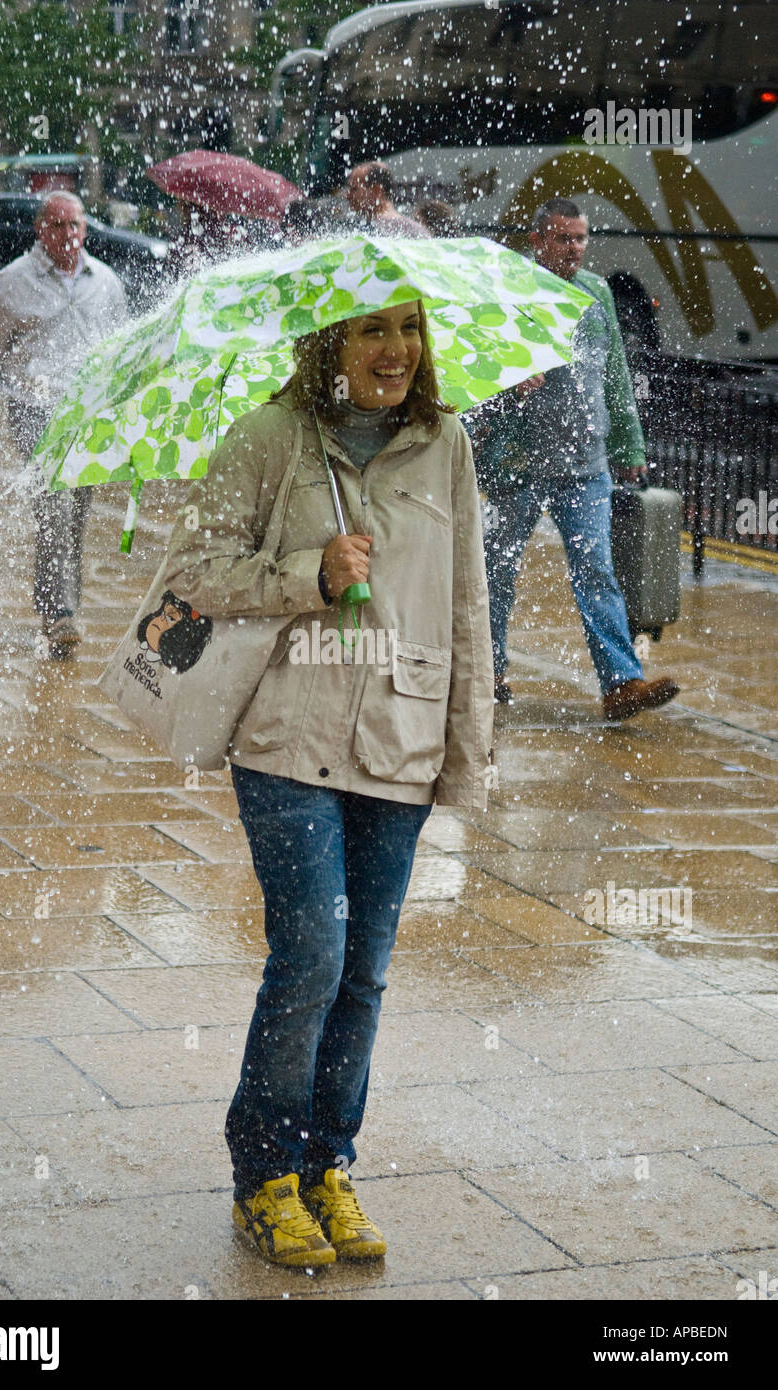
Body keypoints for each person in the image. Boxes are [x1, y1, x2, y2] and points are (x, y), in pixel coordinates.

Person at [163, 299, 493, 1266]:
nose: (396, 351)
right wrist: (310, 570)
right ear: (330, 345)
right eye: (371, 331)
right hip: (285, 739)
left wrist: (466, 755)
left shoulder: (447, 445)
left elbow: (466, 603)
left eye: (410, 329)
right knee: (311, 955)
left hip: (400, 734)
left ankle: (325, 1165)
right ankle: (264, 1171)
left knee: (365, 970)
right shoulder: (271, 437)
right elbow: (195, 574)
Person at [471, 197, 679, 722]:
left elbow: (613, 373)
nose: (574, 249)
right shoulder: (511, 288)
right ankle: (488, 670)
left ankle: (621, 683)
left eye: (581, 238)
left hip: (586, 466)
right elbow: (476, 369)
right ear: (538, 239)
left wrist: (628, 445)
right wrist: (509, 384)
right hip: (516, 465)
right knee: (497, 571)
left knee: (596, 571)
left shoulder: (596, 292)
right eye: (563, 238)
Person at [0, 191, 127, 657]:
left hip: (87, 413)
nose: (68, 235)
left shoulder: (106, 282)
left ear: (86, 229)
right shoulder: (11, 282)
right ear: (40, 230)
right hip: (32, 408)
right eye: (58, 226)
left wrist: (129, 406)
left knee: (78, 514)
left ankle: (62, 602)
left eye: (75, 225)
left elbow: (122, 348)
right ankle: (59, 613)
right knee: (53, 503)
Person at [344, 161, 429, 238]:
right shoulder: (418, 231)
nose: (346, 195)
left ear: (376, 191)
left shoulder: (368, 232)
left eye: (353, 189)